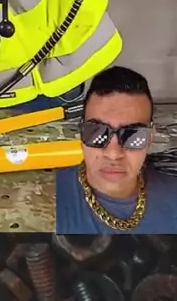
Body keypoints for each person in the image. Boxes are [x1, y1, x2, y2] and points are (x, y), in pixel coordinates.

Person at [56, 66, 177, 233]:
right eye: (97, 132)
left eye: (133, 135)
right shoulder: (43, 201)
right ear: (81, 134)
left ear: (150, 138)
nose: (113, 154)